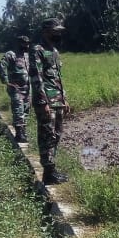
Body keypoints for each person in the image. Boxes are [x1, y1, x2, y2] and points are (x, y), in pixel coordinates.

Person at [30, 18, 71, 184]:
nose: (58, 34)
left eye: (60, 31)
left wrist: (64, 99)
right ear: (46, 31)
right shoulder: (37, 50)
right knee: (47, 135)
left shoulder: (54, 50)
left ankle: (52, 169)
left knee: (56, 134)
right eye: (56, 31)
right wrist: (43, 102)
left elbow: (58, 78)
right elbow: (36, 78)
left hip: (57, 100)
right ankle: (48, 173)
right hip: (46, 100)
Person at [0, 35, 32, 143]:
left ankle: (23, 132)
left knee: (25, 110)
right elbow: (0, 66)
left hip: (27, 88)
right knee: (18, 110)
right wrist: (6, 81)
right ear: (18, 44)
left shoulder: (26, 56)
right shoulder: (11, 55)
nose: (26, 45)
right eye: (24, 43)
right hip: (16, 88)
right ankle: (19, 134)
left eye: (27, 43)